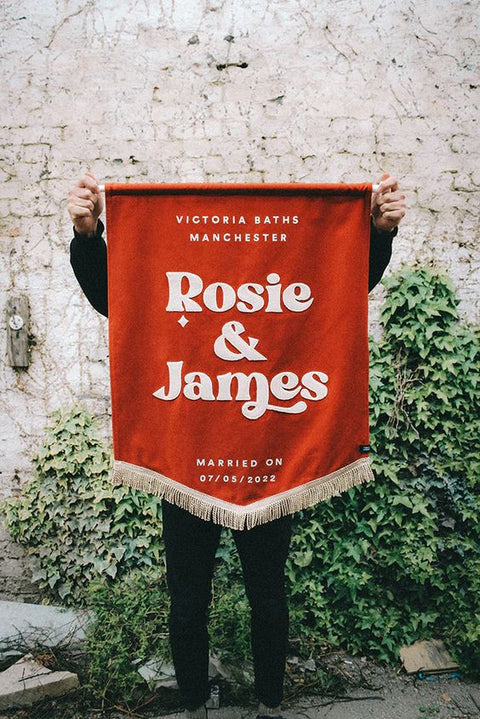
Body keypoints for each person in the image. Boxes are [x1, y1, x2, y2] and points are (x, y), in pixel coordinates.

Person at [68, 172, 406, 719]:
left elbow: (334, 293)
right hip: (186, 456)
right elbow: (117, 301)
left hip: (268, 456)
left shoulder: (287, 272)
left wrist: (378, 234)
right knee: (187, 601)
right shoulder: (170, 273)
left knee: (269, 597)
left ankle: (270, 704)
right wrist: (90, 238)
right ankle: (197, 703)